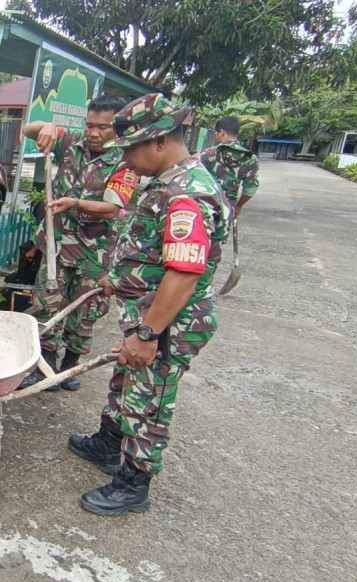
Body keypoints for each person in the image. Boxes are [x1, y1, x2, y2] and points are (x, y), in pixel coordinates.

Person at [68, 94, 230, 516]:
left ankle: (134, 482)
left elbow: (184, 272)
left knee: (150, 399)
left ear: (160, 142)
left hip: (167, 323)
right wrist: (116, 279)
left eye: (133, 148)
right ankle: (108, 441)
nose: (128, 158)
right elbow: (150, 252)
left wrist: (147, 333)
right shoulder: (166, 183)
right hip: (145, 312)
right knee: (126, 380)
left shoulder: (186, 194)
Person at [19, 95, 139, 391]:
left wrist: (74, 203)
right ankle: (43, 365)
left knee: (84, 310)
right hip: (57, 246)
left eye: (103, 127)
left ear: (118, 128)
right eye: (90, 126)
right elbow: (27, 130)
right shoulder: (71, 143)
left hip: (94, 253)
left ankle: (70, 366)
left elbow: (112, 208)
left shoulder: (127, 160)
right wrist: (46, 126)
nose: (94, 133)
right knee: (46, 304)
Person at [198, 116, 260, 218]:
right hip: (229, 206)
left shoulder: (207, 154)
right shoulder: (250, 158)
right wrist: (239, 206)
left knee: (203, 233)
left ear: (221, 132)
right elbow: (250, 189)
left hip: (206, 204)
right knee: (223, 233)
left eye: (216, 133)